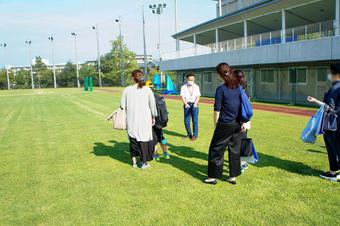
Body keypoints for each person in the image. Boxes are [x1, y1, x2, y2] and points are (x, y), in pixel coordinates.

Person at [204, 63, 246, 185]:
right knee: (235, 150)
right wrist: (243, 122)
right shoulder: (238, 87)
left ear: (219, 74)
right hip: (237, 123)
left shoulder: (221, 89)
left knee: (216, 149)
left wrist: (215, 124)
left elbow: (217, 109)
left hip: (224, 123)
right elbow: (241, 106)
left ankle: (212, 177)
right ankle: (232, 177)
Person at [307, 63, 340, 181]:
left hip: (332, 124)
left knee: (332, 147)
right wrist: (316, 100)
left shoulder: (335, 88)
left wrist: (316, 102)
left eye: (331, 73)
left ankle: (332, 173)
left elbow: (329, 107)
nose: (329, 75)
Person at [120, 70, 158, 169]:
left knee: (133, 140)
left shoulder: (127, 90)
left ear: (133, 78)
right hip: (145, 119)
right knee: (144, 140)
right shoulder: (147, 90)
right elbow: (152, 106)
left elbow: (122, 105)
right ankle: (144, 162)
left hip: (131, 118)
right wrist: (153, 116)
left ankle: (134, 163)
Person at [145, 80, 170, 161]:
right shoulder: (158, 96)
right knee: (161, 137)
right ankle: (166, 153)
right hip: (161, 121)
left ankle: (156, 154)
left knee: (154, 138)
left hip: (153, 121)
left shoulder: (148, 98)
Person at [234, 69, 251, 172]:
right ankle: (243, 161)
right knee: (243, 140)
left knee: (237, 142)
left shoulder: (237, 91)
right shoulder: (245, 91)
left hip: (239, 120)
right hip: (245, 119)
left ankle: (241, 163)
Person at [180, 72, 201, 141]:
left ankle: (195, 135)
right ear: (187, 79)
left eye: (192, 80)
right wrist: (185, 103)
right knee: (186, 121)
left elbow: (198, 96)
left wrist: (195, 103)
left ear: (194, 79)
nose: (191, 81)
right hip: (187, 105)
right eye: (189, 79)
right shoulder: (183, 87)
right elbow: (182, 96)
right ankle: (189, 134)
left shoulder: (196, 86)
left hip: (195, 105)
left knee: (195, 120)